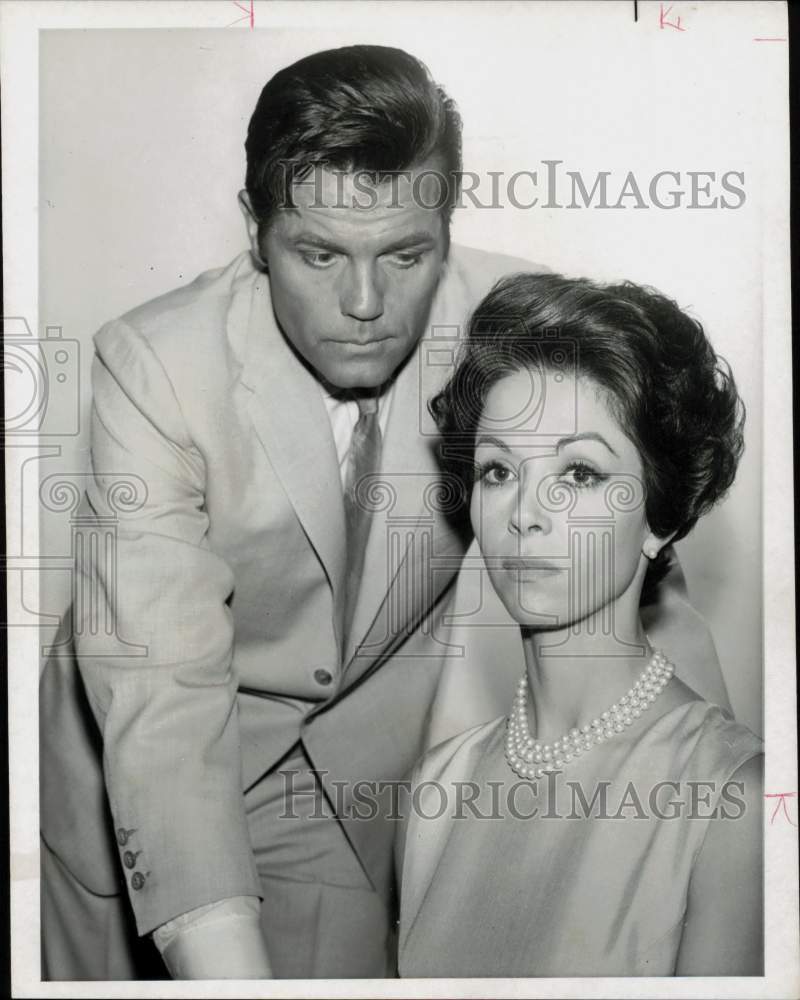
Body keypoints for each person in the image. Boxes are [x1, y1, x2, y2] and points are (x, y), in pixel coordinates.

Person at [39, 45, 729, 981]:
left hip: (353, 794)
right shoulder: (153, 366)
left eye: (405, 255)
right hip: (141, 781)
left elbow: (643, 570)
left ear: (447, 226)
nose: (364, 305)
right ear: (255, 228)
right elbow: (163, 698)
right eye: (318, 254)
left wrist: (717, 809)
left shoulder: (516, 333)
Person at [398, 273, 763, 978]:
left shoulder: (734, 801)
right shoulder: (435, 791)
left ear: (660, 516)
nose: (527, 512)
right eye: (499, 470)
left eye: (581, 473)